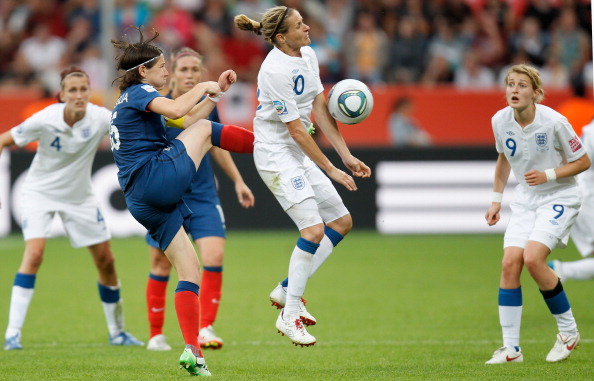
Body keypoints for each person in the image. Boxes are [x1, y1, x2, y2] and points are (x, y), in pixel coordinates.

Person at [109, 27, 253, 376]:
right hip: (153, 180)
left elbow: (186, 119)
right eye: (161, 66)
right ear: (143, 71)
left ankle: (193, 351)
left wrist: (215, 96)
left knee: (190, 271)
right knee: (206, 134)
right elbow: (179, 108)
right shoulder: (139, 91)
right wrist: (205, 85)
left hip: (142, 201)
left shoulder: (131, 101)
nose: (168, 72)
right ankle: (272, 145)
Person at [234, 6, 371, 347]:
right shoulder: (273, 71)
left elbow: (319, 108)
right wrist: (332, 169)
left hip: (300, 151)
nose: (307, 27)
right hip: (277, 155)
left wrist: (346, 155)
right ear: (281, 37)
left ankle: (285, 289)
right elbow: (296, 130)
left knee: (341, 222)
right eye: (299, 25)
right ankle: (289, 312)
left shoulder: (308, 55)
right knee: (312, 230)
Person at [0, 66, 143, 350]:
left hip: (80, 197)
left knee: (106, 261)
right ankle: (12, 335)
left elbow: (133, 125)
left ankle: (118, 332)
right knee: (35, 254)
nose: (79, 95)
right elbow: (3, 140)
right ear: (62, 95)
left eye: (83, 89)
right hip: (39, 193)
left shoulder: (101, 117)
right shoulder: (43, 119)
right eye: (73, 90)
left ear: (90, 92)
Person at [145, 47, 255, 352]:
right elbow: (184, 120)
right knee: (161, 263)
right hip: (169, 196)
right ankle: (156, 333)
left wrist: (238, 181)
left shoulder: (207, 105)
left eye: (195, 70)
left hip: (204, 193)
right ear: (173, 73)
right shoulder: (161, 105)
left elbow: (215, 142)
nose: (190, 75)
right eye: (184, 70)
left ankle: (206, 327)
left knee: (214, 257)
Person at [484, 64, 590, 364]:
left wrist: (549, 175)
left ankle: (568, 332)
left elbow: (583, 161)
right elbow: (504, 158)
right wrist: (495, 200)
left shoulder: (555, 121)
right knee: (509, 263)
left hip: (560, 195)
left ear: (536, 93)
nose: (514, 90)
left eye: (521, 85)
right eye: (510, 84)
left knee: (532, 258)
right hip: (526, 199)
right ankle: (511, 350)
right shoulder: (500, 120)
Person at [549, 118, 594, 280]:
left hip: (580, 197)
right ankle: (560, 271)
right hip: (588, 202)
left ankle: (561, 270)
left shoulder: (589, 129)